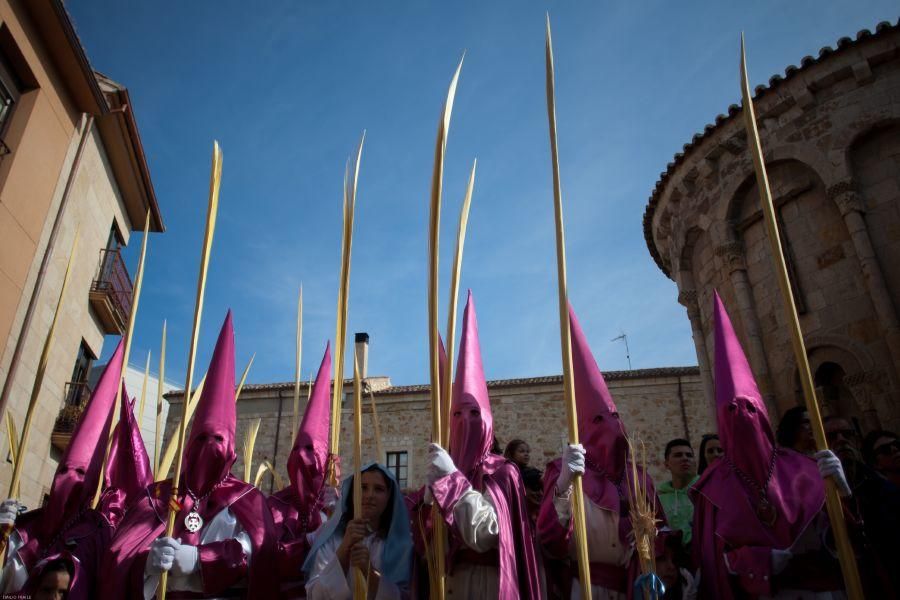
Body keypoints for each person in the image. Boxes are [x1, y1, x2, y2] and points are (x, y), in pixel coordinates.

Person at [98, 312, 277, 599]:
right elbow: (117, 558)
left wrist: (200, 559)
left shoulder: (249, 500)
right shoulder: (156, 496)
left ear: (231, 448)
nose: (210, 446)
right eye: (202, 437)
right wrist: (145, 563)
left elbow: (261, 551)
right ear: (189, 442)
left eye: (219, 439)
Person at [691, 292, 851, 599]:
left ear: (763, 413)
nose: (742, 418)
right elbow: (709, 560)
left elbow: (845, 540)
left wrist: (842, 494)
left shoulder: (804, 469)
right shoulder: (711, 487)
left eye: (749, 409)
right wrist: (758, 561)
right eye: (732, 412)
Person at [537, 303, 665, 600]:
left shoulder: (639, 477)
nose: (610, 427)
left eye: (614, 417)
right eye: (597, 421)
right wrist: (563, 487)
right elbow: (550, 541)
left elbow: (662, 533)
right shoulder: (562, 472)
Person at [425, 291, 541, 600]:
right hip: (448, 583)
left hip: (492, 584)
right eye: (458, 414)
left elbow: (487, 534)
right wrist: (425, 503)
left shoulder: (504, 472)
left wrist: (452, 482)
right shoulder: (444, 470)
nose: (466, 421)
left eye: (475, 413)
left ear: (488, 420)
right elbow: (425, 542)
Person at [0, 341, 125, 599]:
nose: (68, 478)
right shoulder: (22, 530)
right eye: (64, 470)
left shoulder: (99, 535)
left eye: (80, 473)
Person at [268, 342, 335, 598]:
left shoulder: (337, 503)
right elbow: (263, 555)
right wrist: (307, 542)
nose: (303, 456)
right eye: (298, 448)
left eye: (311, 449)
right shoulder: (274, 505)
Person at [303, 463, 413, 599]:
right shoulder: (332, 538)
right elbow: (315, 595)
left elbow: (405, 596)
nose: (369, 495)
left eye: (378, 489)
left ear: (389, 497)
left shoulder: (401, 545)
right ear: (352, 492)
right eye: (363, 487)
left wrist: (370, 572)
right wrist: (344, 550)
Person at [824, 416, 900, 595]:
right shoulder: (817, 492)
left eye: (847, 435)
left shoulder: (879, 484)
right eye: (832, 437)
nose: (841, 440)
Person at [656, 439, 698, 546]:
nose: (685, 458)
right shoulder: (659, 500)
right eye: (678, 455)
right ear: (666, 464)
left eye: (689, 455)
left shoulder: (707, 491)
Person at [504, 439, 543, 520]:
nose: (526, 454)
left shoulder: (532, 472)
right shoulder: (509, 471)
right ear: (511, 453)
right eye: (521, 451)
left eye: (527, 452)